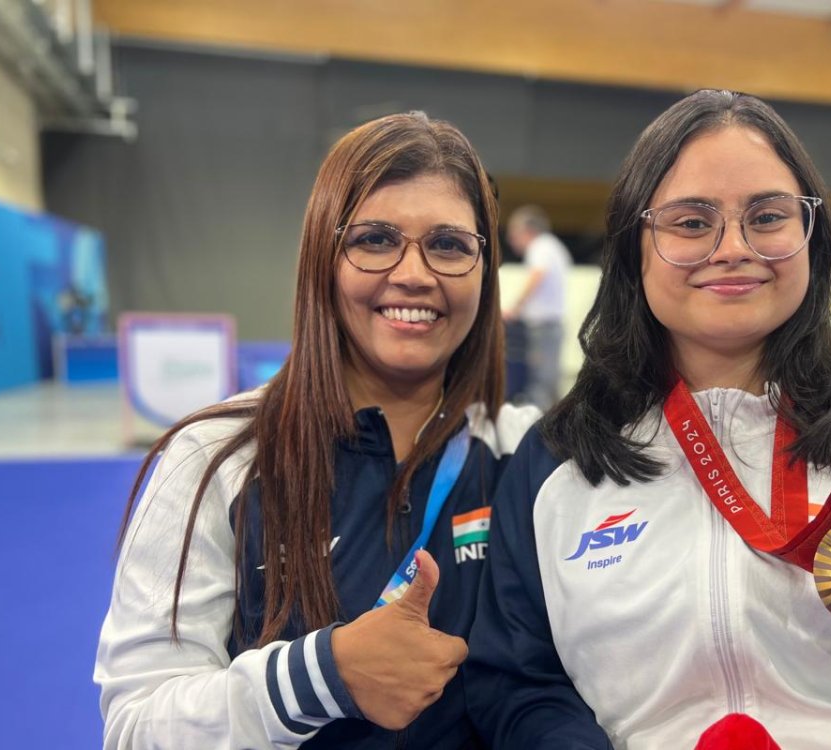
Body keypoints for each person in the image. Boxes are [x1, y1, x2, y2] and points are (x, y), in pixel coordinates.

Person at [465, 90, 831, 749]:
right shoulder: (556, 461)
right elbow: (518, 688)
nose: (733, 248)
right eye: (691, 222)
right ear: (634, 245)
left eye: (767, 216)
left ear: (811, 233)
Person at [94, 112, 539, 749]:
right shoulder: (215, 460)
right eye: (376, 239)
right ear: (322, 261)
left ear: (483, 269)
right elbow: (136, 728)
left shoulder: (527, 454)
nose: (414, 273)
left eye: (449, 245)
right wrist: (321, 677)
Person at [503, 204, 573, 409]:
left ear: (528, 231)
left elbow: (537, 276)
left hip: (543, 328)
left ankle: (537, 435)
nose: (511, 240)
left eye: (514, 234)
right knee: (547, 381)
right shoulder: (553, 246)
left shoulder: (540, 247)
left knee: (539, 383)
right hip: (550, 327)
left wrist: (515, 308)